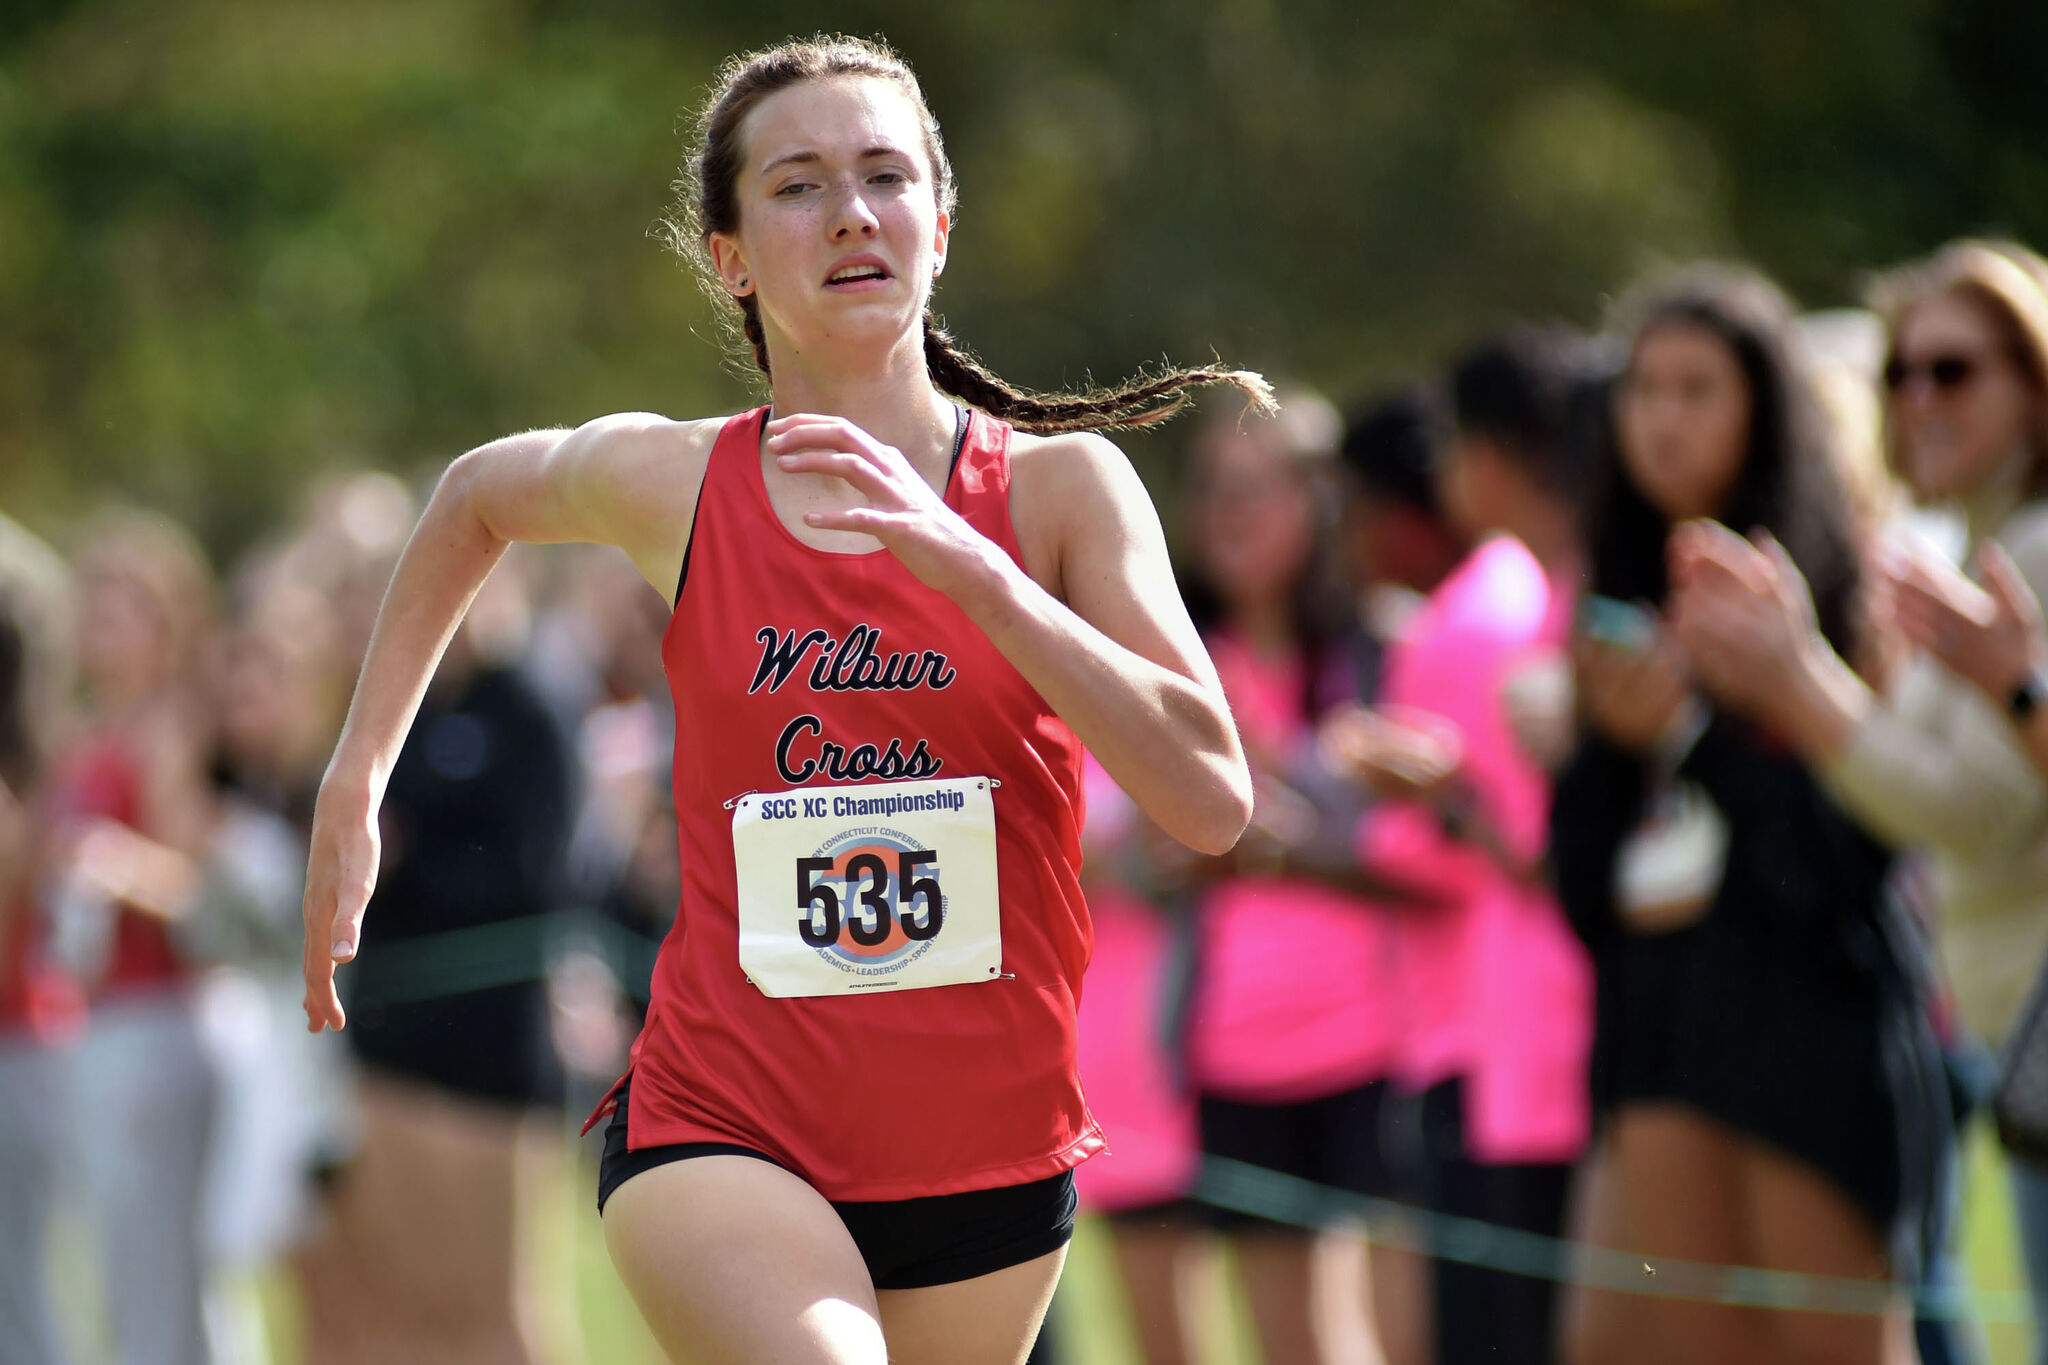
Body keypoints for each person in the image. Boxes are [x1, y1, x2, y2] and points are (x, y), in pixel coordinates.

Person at [299, 34, 1259, 1365]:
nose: (853, 212)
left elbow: (1211, 800)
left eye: (884, 175)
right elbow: (473, 498)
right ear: (731, 256)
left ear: (939, 219)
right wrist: (358, 781)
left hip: (987, 1159)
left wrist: (975, 573)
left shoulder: (1061, 495)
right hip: (723, 1123)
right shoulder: (681, 485)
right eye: (799, 185)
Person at [1550, 265, 1945, 1365]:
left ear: (1764, 409)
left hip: (1803, 1035)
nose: (1661, 421)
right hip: (1659, 1033)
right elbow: (1585, 890)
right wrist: (1619, 752)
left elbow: (1851, 862)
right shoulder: (1609, 601)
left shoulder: (1837, 597)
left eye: (1696, 390)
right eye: (1642, 390)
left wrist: (1729, 717)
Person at [1664, 241, 2048, 1359]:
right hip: (2006, 1023)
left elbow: (1972, 811)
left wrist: (1794, 679)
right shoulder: (1985, 549)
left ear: (2033, 383)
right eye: (1897, 372)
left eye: (1952, 371)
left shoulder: (2030, 551)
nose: (1915, 398)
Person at [1349, 328, 1594, 1365]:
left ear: (1494, 451)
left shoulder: (1484, 612)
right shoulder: (1525, 596)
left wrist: (1427, 798)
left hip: (1514, 1033)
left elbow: (1525, 853)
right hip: (1509, 1034)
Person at [1175, 391, 1408, 1365]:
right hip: (1231, 1047)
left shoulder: (1384, 648)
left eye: (1258, 488)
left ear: (1318, 501)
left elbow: (1426, 860)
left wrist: (1273, 824)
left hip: (1383, 1043)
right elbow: (1155, 855)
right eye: (1212, 490)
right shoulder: (1171, 657)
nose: (1230, 513)